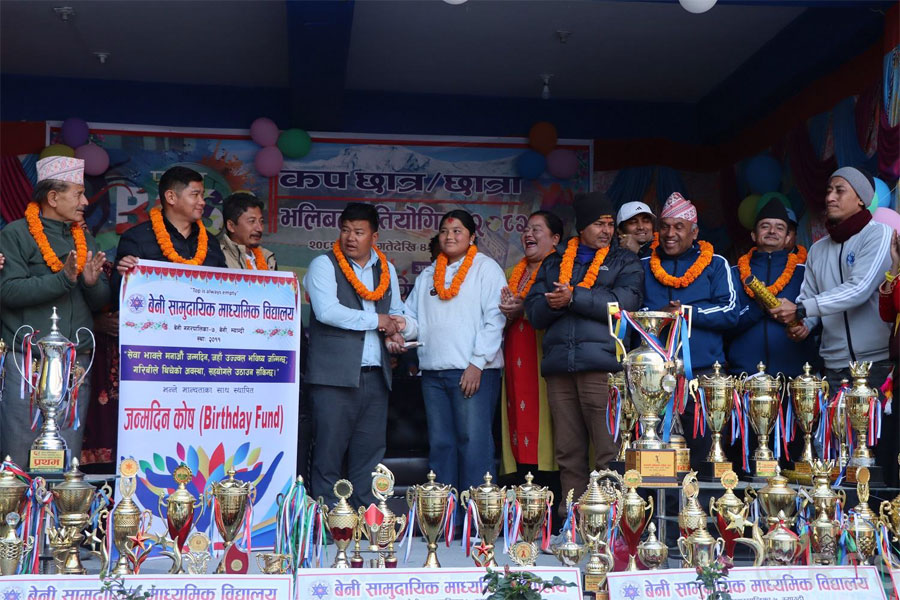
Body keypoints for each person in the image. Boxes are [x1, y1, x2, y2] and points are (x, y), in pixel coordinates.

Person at [771, 168, 893, 482]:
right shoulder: (818, 249)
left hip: (876, 366)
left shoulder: (878, 235)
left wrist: (802, 309)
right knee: (838, 456)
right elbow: (809, 297)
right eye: (828, 190)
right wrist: (803, 323)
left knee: (875, 460)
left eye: (840, 190)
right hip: (834, 367)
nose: (829, 197)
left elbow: (859, 289)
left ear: (861, 199)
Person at [525, 192, 644, 515]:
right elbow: (534, 311)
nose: (606, 231)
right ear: (581, 227)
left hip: (602, 367)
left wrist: (574, 298)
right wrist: (555, 303)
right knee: (568, 450)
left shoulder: (624, 260)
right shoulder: (555, 261)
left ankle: (611, 519)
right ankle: (572, 521)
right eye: (598, 224)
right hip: (560, 369)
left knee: (608, 449)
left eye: (610, 224)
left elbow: (626, 303)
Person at [0, 156, 109, 467]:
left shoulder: (83, 237)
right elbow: (8, 292)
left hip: (74, 363)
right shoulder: (16, 234)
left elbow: (100, 300)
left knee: (66, 456)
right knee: (19, 455)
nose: (85, 202)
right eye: (79, 193)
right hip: (29, 363)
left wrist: (91, 283)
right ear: (52, 197)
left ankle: (60, 502)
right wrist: (63, 278)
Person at [303, 202, 407, 507]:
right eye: (346, 230)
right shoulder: (324, 264)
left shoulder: (385, 269)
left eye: (359, 232)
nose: (350, 237)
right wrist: (378, 321)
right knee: (328, 455)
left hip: (376, 377)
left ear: (374, 237)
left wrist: (396, 332)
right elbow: (327, 312)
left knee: (369, 458)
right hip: (333, 379)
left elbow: (396, 312)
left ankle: (367, 522)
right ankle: (326, 522)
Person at [397, 210, 506, 495]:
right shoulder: (429, 274)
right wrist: (399, 326)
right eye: (445, 231)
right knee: (441, 444)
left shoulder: (486, 269)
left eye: (457, 231)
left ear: (472, 237)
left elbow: (495, 319)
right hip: (433, 374)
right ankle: (443, 515)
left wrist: (477, 364)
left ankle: (478, 515)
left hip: (472, 372)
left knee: (473, 442)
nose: (450, 237)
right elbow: (413, 319)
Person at [641, 192, 739, 470]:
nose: (670, 234)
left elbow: (730, 312)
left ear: (694, 232)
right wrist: (660, 316)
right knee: (656, 459)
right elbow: (632, 310)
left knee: (706, 455)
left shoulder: (715, 263)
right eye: (664, 226)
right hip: (653, 378)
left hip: (703, 374)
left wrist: (687, 313)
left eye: (678, 227)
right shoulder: (644, 265)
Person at [499, 211, 564, 477]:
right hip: (515, 353)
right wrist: (506, 313)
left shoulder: (561, 271)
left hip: (544, 352)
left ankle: (548, 481)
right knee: (516, 413)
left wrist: (524, 309)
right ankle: (520, 481)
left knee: (546, 418)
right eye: (526, 229)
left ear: (555, 238)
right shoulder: (510, 274)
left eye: (536, 229)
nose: (528, 234)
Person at [727, 199, 814, 376]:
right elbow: (726, 323)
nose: (772, 231)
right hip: (745, 375)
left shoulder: (804, 273)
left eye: (780, 227)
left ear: (788, 237)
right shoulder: (733, 273)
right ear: (753, 235)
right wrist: (757, 308)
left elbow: (820, 316)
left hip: (796, 377)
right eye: (765, 226)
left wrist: (806, 326)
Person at [114, 166, 226, 281]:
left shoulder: (211, 242)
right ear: (171, 197)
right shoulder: (137, 238)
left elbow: (226, 285)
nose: (202, 202)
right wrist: (124, 276)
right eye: (195, 195)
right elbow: (118, 287)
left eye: (202, 195)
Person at [217, 192, 277, 270]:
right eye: (252, 221)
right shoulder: (217, 258)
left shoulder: (267, 258)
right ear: (231, 226)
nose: (259, 228)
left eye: (261, 221)